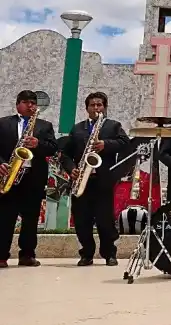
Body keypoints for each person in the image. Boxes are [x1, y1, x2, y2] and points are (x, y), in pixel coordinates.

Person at [60, 92, 130, 267]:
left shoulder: (113, 126)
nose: (96, 108)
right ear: (87, 108)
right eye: (93, 105)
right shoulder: (77, 128)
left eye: (99, 105)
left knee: (104, 220)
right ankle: (86, 254)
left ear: (104, 108)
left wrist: (106, 144)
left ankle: (109, 254)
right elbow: (66, 155)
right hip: (81, 180)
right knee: (82, 220)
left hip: (102, 181)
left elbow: (125, 143)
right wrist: (72, 169)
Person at [0, 90, 58, 268]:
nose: (30, 106)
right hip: (9, 174)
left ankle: (27, 255)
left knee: (31, 219)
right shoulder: (3, 123)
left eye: (33, 103)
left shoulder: (44, 125)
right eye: (26, 102)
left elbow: (53, 148)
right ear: (18, 104)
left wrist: (38, 144)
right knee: (4, 218)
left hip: (33, 178)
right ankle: (1, 256)